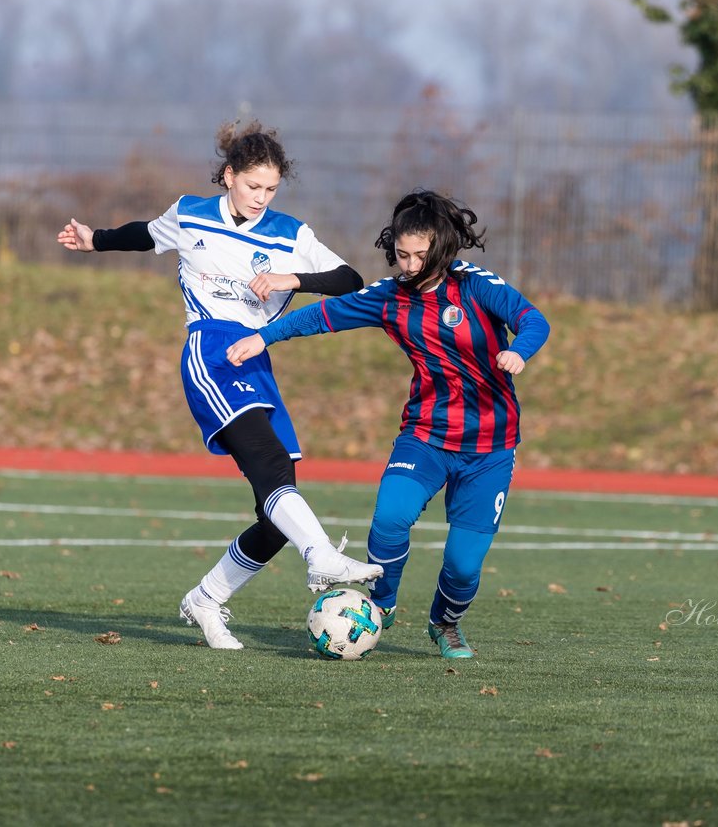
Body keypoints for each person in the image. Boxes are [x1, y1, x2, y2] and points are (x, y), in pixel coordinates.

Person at [56, 120, 383, 651]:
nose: (261, 198)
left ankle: (206, 600)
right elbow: (145, 234)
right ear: (228, 176)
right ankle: (320, 555)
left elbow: (349, 280)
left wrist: (290, 279)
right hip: (211, 351)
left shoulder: (290, 234)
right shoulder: (190, 213)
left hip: (257, 360)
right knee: (277, 475)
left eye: (271, 188)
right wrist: (95, 240)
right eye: (253, 185)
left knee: (275, 515)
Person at [226, 189, 550, 659]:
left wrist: (518, 351)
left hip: (490, 448)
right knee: (389, 520)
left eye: (421, 255)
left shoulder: (475, 285)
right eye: (403, 254)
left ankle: (445, 623)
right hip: (425, 435)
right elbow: (321, 315)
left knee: (463, 565)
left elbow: (533, 319)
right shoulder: (388, 297)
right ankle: (383, 603)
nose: (412, 265)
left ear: (441, 247)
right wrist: (263, 337)